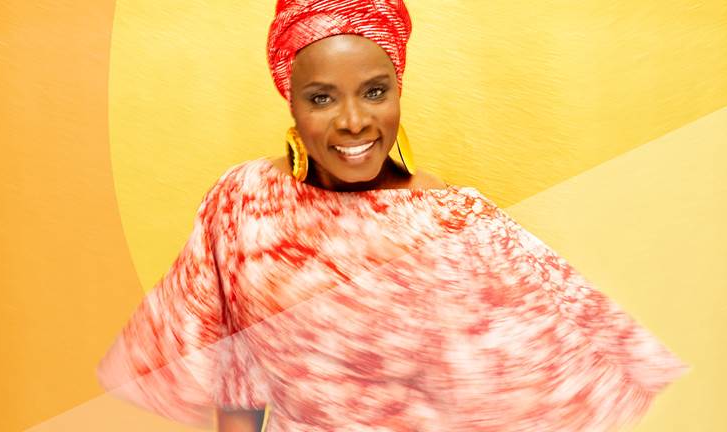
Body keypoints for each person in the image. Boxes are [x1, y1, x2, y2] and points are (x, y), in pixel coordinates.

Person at [97, 1, 689, 431]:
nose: (353, 121)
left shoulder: (449, 224)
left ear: (398, 90)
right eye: (322, 98)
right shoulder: (241, 203)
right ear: (290, 98)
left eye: (375, 91)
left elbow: (510, 390)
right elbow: (236, 378)